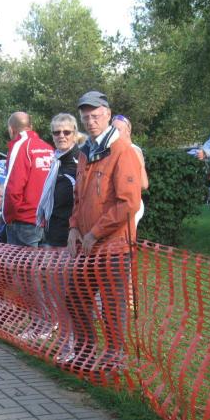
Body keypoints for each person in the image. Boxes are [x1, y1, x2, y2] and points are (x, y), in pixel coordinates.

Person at [65, 91, 142, 371]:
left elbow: (129, 203)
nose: (90, 120)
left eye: (96, 115)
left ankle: (113, 362)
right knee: (76, 298)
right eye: (85, 116)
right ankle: (84, 354)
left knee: (112, 307)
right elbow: (79, 196)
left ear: (108, 115)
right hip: (86, 245)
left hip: (113, 246)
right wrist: (74, 226)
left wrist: (95, 232)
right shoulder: (86, 152)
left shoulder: (122, 151)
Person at [1, 112, 54, 247]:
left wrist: (8, 217)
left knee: (18, 262)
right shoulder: (48, 147)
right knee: (44, 261)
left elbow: (13, 187)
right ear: (31, 126)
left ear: (11, 129)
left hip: (24, 222)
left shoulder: (20, 146)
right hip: (46, 221)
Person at [37, 113, 79, 247]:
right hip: (52, 233)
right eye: (56, 132)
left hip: (71, 237)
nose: (61, 136)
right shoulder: (56, 161)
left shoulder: (80, 161)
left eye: (66, 132)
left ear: (75, 134)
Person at [111, 114, 149, 225]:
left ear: (128, 131)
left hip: (129, 205)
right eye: (112, 130)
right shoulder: (112, 150)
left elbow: (144, 184)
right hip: (116, 206)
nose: (114, 133)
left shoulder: (133, 150)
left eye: (118, 130)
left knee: (126, 236)